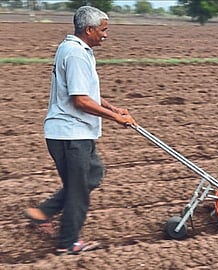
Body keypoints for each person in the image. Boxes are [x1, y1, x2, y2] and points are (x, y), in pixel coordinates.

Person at [24, 6, 137, 255]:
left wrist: (114, 108)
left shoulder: (78, 50)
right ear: (89, 29)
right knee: (78, 190)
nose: (106, 34)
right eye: (103, 29)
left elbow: (89, 93)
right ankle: (68, 242)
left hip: (75, 132)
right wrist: (115, 118)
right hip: (70, 134)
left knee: (93, 174)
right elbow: (80, 101)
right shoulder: (75, 54)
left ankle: (44, 212)